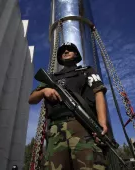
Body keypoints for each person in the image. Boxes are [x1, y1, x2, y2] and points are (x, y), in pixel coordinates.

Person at [28, 42, 108, 170]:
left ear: (76, 54)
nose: (65, 51)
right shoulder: (52, 77)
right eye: (63, 51)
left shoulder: (87, 71)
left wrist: (102, 123)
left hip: (81, 124)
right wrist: (44, 91)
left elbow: (98, 94)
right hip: (56, 128)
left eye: (69, 49)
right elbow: (31, 99)